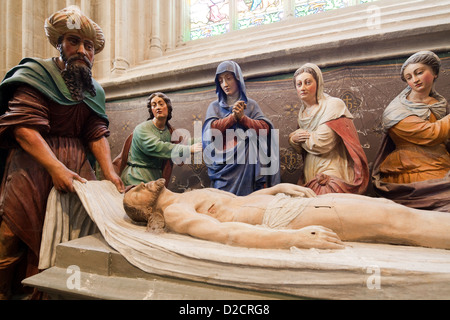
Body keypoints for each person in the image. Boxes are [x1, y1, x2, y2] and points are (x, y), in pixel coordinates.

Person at [0, 6, 124, 299]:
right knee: (12, 236)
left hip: (78, 166)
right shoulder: (36, 72)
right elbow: (24, 127)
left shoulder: (93, 89)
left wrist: (109, 172)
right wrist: (54, 168)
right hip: (33, 164)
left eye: (89, 46)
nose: (82, 50)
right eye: (73, 41)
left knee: (75, 236)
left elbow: (95, 132)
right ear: (59, 44)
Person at [123, 178, 450, 251]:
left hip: (283, 205)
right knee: (396, 222)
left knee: (387, 209)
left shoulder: (189, 194)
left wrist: (274, 187)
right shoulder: (177, 212)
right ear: (145, 209)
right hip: (286, 219)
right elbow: (228, 234)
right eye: (136, 189)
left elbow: (239, 202)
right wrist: (292, 238)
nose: (142, 182)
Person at [372, 51, 450, 212]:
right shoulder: (397, 111)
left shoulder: (438, 103)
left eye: (419, 72)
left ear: (434, 73)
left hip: (441, 163)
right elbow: (431, 134)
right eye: (409, 77)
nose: (414, 80)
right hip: (412, 168)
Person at [288, 63, 369, 195]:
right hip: (310, 169)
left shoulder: (333, 105)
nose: (303, 87)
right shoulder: (302, 113)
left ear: (318, 83)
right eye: (299, 84)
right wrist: (293, 140)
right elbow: (301, 149)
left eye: (308, 82)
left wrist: (296, 136)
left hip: (332, 168)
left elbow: (322, 143)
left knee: (331, 207)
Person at [202, 61, 280, 196]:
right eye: (220, 80)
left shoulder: (250, 105)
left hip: (248, 164)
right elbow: (210, 133)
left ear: (238, 79)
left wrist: (244, 119)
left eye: (228, 78)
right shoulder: (214, 107)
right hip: (223, 162)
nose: (225, 84)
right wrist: (233, 117)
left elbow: (265, 129)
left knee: (250, 144)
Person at [116, 92, 202, 187]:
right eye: (154, 105)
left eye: (161, 104)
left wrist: (207, 140)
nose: (158, 107)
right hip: (136, 179)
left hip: (156, 179)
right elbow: (157, 147)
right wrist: (188, 149)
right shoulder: (142, 129)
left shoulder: (169, 131)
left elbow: (184, 142)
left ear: (168, 107)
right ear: (151, 110)